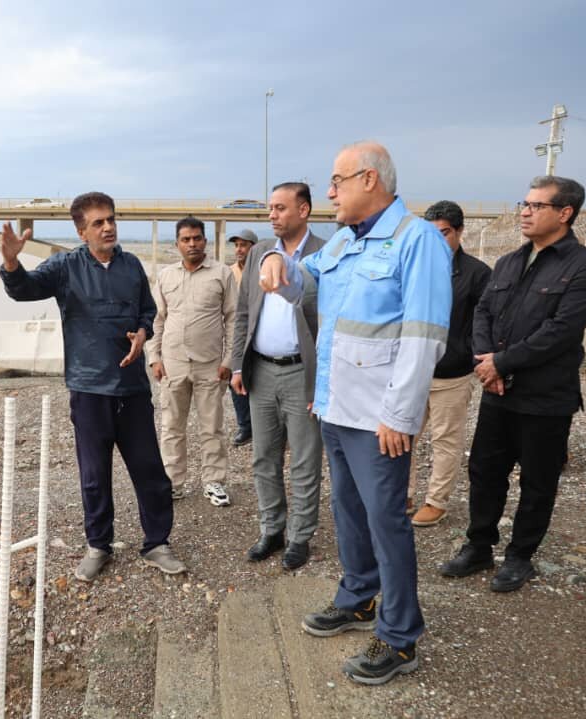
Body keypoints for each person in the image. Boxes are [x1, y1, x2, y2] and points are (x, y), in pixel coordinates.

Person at [259, 142, 452, 684]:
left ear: (370, 179)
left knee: (387, 522)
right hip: (337, 407)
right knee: (347, 511)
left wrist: (400, 415)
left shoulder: (416, 240)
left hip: (379, 418)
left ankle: (400, 636)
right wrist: (275, 258)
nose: (329, 192)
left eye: (337, 181)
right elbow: (303, 281)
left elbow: (423, 337)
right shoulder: (347, 239)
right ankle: (359, 597)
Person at [0, 191, 186, 582]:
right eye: (98, 222)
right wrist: (12, 263)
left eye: (111, 219)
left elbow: (148, 311)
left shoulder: (131, 266)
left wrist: (143, 334)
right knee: (94, 476)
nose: (108, 227)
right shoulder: (65, 267)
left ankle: (157, 543)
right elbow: (24, 289)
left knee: (150, 471)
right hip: (88, 390)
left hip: (132, 389)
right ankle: (99, 545)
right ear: (81, 232)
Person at [441, 176, 586, 592]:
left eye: (536, 206)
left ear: (564, 213)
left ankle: (519, 557)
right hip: (498, 392)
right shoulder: (509, 262)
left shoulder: (585, 268)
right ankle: (479, 546)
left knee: (537, 481)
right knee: (484, 472)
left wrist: (501, 363)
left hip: (545, 398)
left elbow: (560, 332)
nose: (525, 212)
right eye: (524, 204)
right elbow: (482, 312)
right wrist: (485, 361)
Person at [230, 182, 325, 570]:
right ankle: (272, 530)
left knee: (305, 460)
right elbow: (242, 312)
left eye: (280, 208)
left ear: (303, 210)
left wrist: (323, 381)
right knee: (263, 458)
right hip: (262, 370)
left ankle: (300, 537)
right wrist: (238, 364)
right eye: (270, 208)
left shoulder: (325, 254)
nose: (272, 215)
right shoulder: (258, 254)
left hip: (303, 372)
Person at [406, 201, 492, 527]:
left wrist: (470, 355)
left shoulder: (477, 274)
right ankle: (403, 494)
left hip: (452, 374)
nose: (437, 241)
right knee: (403, 435)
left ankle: (436, 501)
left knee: (445, 441)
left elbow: (486, 321)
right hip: (414, 371)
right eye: (431, 234)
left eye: (443, 233)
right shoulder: (415, 267)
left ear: (458, 232)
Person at [149, 217, 237, 506]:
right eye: (186, 239)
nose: (192, 244)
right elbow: (157, 319)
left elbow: (233, 319)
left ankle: (214, 481)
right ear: (177, 244)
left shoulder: (222, 274)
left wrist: (229, 359)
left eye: (197, 238)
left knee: (212, 426)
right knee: (171, 426)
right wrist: (154, 357)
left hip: (210, 364)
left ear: (205, 241)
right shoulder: (166, 276)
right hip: (172, 363)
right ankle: (173, 482)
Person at [227, 229, 258, 446]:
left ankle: (268, 428)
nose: (239, 249)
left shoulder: (263, 270)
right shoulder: (228, 273)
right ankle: (245, 426)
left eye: (243, 245)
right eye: (236, 245)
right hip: (237, 335)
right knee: (235, 379)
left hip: (258, 335)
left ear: (253, 247)